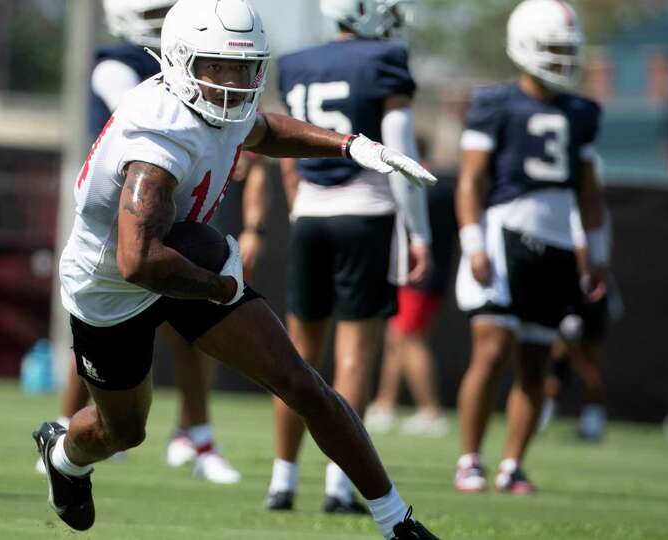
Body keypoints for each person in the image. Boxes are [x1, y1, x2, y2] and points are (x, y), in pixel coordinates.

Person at [32, 1, 439, 538]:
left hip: (178, 256)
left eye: (242, 68)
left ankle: (397, 523)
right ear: (180, 62)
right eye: (216, 67)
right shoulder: (159, 135)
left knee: (304, 384)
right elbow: (138, 261)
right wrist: (220, 285)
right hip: (109, 286)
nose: (231, 82)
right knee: (123, 431)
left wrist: (351, 144)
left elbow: (263, 130)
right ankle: (64, 454)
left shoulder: (212, 101)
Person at [47, 0, 245, 483]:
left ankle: (196, 433)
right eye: (154, 10)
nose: (163, 19)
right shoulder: (121, 65)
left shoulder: (194, 61)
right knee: (99, 338)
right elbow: (155, 128)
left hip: (178, 211)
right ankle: (67, 426)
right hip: (128, 218)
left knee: (192, 333)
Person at [264, 0, 432, 514]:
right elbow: (399, 144)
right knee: (354, 355)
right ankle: (339, 484)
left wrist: (300, 208)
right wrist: (418, 232)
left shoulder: (295, 62)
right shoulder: (384, 58)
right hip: (366, 211)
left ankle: (282, 478)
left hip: (311, 216)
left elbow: (286, 149)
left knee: (297, 355)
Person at [453, 0, 609, 494]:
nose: (563, 60)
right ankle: (469, 459)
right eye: (553, 49)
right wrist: (473, 242)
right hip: (502, 234)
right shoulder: (496, 103)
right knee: (492, 348)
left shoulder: (582, 111)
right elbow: (471, 181)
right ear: (524, 47)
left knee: (537, 361)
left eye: (568, 50)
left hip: (558, 240)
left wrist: (597, 249)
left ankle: (511, 465)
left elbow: (588, 191)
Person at [366, 172, 454, 438]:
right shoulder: (441, 189)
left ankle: (431, 411)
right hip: (421, 276)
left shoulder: (418, 189)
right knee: (396, 337)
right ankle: (384, 404)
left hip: (418, 276)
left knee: (408, 338)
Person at [537, 207, 622, 441]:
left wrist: (583, 283)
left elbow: (585, 249)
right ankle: (548, 412)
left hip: (584, 294)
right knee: (559, 356)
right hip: (578, 291)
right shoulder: (583, 208)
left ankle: (590, 420)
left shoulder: (585, 210)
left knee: (578, 356)